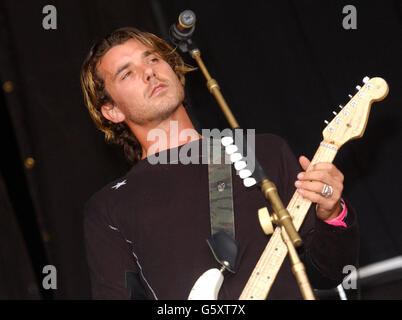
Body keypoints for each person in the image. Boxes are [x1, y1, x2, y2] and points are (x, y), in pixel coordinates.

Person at [80, 27, 359, 300]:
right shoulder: (109, 207)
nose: (149, 72)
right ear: (112, 110)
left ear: (175, 71)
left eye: (153, 58)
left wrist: (332, 213)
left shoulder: (262, 151)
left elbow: (328, 273)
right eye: (127, 73)